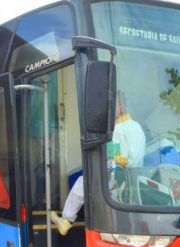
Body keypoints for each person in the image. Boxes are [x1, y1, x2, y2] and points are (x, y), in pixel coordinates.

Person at [50, 93, 146, 235]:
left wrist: (100, 166)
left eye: (111, 108)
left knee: (81, 183)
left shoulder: (118, 130)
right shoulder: (138, 128)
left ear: (120, 107)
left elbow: (118, 160)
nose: (108, 113)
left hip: (118, 178)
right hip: (131, 179)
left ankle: (67, 219)